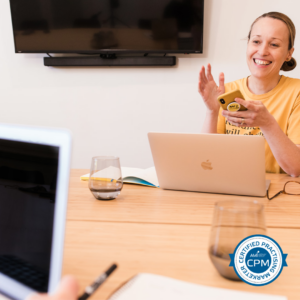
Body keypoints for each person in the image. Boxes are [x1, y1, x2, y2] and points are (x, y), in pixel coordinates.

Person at [198, 12, 300, 176]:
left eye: (274, 44)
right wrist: (212, 111)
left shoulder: (297, 93)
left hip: (278, 193)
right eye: (256, 41)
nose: (262, 51)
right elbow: (206, 159)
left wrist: (267, 123)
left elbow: (296, 168)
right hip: (229, 186)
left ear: (289, 53)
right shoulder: (227, 92)